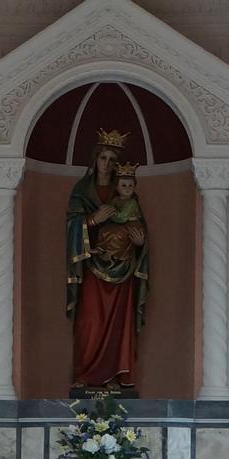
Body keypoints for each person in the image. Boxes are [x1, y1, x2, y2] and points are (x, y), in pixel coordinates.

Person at [67, 130, 150, 389]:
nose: (107, 163)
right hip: (92, 267)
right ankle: (85, 374)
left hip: (122, 269)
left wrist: (140, 243)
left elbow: (138, 229)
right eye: (103, 157)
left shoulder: (126, 198)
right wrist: (92, 220)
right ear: (95, 160)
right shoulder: (82, 191)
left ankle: (114, 375)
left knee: (118, 323)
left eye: (113, 158)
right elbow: (71, 226)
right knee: (90, 321)